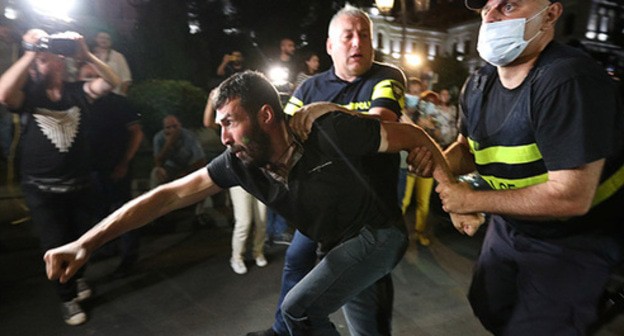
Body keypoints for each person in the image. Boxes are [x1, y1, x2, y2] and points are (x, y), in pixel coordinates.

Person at [43, 70, 478, 335]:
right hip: (336, 248)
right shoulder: (239, 163)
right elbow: (168, 195)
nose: (224, 136)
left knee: (298, 311)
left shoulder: (328, 130)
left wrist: (455, 198)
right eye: (220, 125)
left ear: (266, 115)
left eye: (230, 122)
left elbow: (413, 134)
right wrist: (87, 242)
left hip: (378, 235)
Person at [411, 0, 624, 333]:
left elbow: (571, 197)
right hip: (511, 226)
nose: (491, 16)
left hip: (573, 240)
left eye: (508, 6)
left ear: (550, 14)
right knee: (488, 306)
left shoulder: (568, 80)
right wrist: (436, 163)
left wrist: (469, 200)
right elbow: (468, 151)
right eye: (486, 7)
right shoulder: (479, 84)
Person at [251, 5, 405, 336]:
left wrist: (326, 112)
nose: (357, 42)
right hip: (323, 207)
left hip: (370, 216)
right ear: (330, 45)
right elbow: (287, 134)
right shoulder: (308, 88)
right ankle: (281, 330)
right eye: (347, 36)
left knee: (366, 298)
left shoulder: (386, 76)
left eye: (364, 35)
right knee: (296, 261)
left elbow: (382, 123)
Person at [0, 29, 120, 326]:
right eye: (40, 61)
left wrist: (87, 53)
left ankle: (76, 278)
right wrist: (30, 51)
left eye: (48, 57)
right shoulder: (29, 96)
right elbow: (3, 94)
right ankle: (66, 297)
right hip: (42, 190)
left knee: (81, 239)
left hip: (80, 185)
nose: (45, 63)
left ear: (62, 59)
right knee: (55, 244)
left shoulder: (78, 90)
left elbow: (112, 81)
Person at [79, 63, 145, 278]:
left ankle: (129, 257)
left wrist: (125, 162)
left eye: (93, 77)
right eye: (84, 78)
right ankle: (108, 248)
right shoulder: (78, 105)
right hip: (91, 170)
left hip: (117, 167)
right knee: (99, 212)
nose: (89, 82)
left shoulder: (118, 103)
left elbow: (137, 133)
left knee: (122, 213)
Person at [204, 88, 268, 275]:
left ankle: (258, 252)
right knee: (244, 221)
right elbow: (208, 123)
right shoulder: (228, 122)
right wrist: (210, 99)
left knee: (262, 219)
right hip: (239, 176)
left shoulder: (253, 118)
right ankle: (237, 257)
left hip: (260, 174)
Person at [150, 114, 206, 188]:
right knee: (156, 173)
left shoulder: (189, 136)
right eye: (168, 127)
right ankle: (156, 198)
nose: (172, 130)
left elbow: (200, 160)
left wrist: (185, 173)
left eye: (175, 126)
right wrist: (168, 143)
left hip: (190, 167)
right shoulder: (159, 138)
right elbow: (158, 162)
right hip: (171, 168)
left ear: (180, 125)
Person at [92, 30, 131, 95]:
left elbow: (126, 79)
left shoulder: (118, 56)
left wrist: (121, 96)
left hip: (114, 96)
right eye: (101, 37)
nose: (104, 40)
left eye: (107, 38)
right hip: (95, 96)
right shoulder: (91, 56)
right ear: (95, 39)